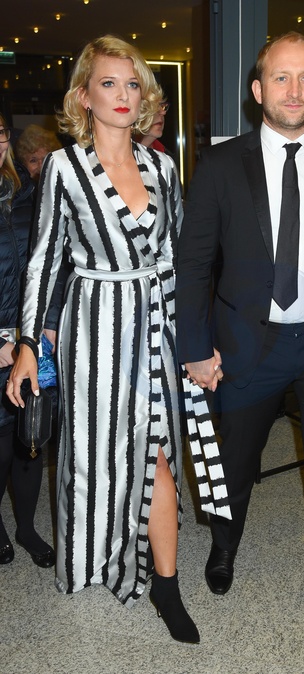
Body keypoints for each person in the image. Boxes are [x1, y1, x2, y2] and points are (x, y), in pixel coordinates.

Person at [6, 35, 222, 644]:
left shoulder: (163, 167)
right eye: (108, 83)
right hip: (94, 330)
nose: (123, 95)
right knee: (97, 456)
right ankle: (97, 557)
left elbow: (182, 261)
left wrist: (196, 341)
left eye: (132, 84)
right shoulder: (64, 168)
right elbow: (43, 261)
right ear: (84, 95)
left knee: (157, 456)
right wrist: (28, 345)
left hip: (157, 326)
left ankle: (166, 585)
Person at [176, 32, 304, 637]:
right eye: (281, 78)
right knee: (235, 461)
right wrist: (195, 348)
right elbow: (193, 265)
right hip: (246, 344)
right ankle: (225, 545)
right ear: (258, 89)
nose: (294, 90)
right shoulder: (220, 165)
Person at [0, 115, 56, 569]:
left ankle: (25, 526)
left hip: (28, 339)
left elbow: (48, 262)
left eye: (0, 133)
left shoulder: (26, 192)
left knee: (29, 434)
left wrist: (43, 327)